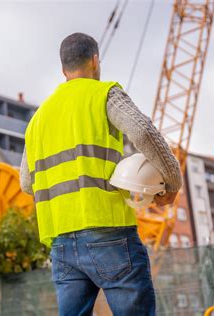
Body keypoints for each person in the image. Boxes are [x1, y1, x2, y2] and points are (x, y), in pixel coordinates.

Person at [20, 32, 182, 315]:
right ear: (95, 61)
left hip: (61, 241)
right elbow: (143, 131)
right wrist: (172, 181)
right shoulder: (104, 94)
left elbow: (26, 183)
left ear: (63, 69)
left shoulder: (38, 118)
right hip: (109, 232)